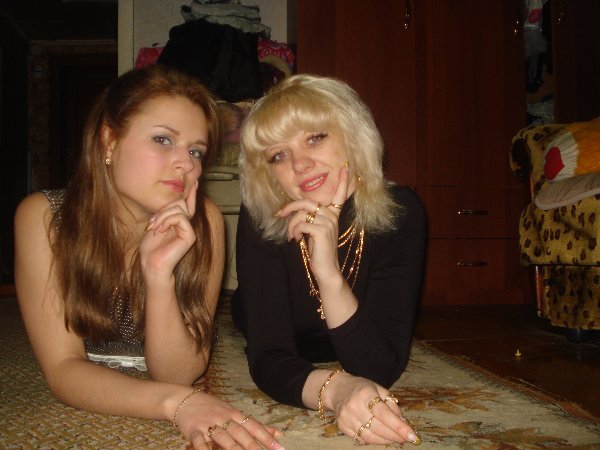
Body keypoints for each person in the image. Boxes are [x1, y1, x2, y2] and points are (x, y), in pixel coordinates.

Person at [14, 65, 284, 450]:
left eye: (195, 151)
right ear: (109, 141)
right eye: (162, 139)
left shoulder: (205, 221)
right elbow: (63, 370)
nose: (186, 164)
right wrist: (179, 404)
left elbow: (177, 374)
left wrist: (159, 276)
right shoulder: (45, 217)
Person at [232, 74, 427, 446]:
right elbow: (269, 356)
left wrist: (329, 275)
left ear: (352, 136)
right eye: (278, 155)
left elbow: (379, 367)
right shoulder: (262, 215)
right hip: (260, 315)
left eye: (314, 137)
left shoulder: (401, 213)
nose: (300, 164)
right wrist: (337, 391)